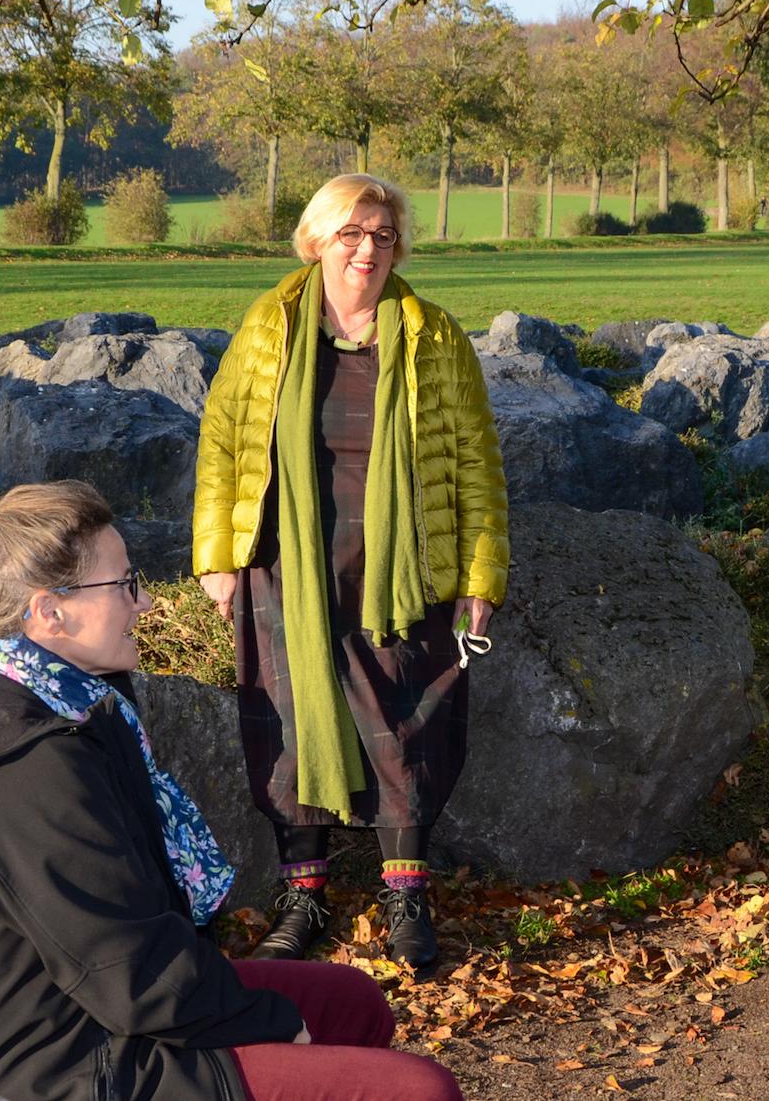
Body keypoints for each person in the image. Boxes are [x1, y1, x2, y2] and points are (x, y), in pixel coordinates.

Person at [0, 481, 463, 1101]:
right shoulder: (21, 763)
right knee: (418, 1090)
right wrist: (277, 1027)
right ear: (48, 612)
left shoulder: (41, 697)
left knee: (352, 1002)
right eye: (123, 584)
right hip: (53, 1064)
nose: (144, 602)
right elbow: (129, 971)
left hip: (90, 1006)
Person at [194, 174, 509, 971]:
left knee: (410, 726)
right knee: (291, 725)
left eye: (383, 235)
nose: (368, 249)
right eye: (352, 233)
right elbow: (223, 442)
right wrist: (218, 558)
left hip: (403, 564)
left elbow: (477, 462)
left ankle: (407, 895)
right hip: (285, 559)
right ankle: (304, 896)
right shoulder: (270, 325)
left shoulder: (434, 335)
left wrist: (480, 576)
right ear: (316, 240)